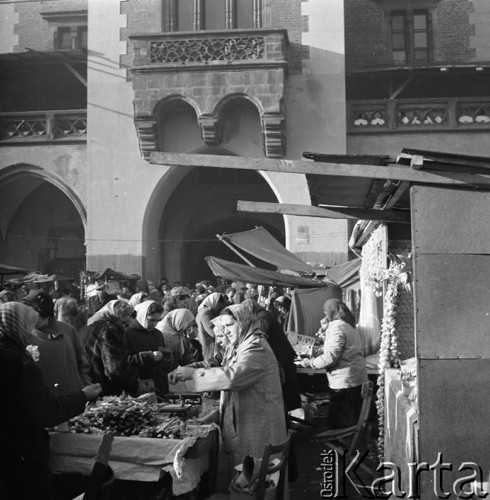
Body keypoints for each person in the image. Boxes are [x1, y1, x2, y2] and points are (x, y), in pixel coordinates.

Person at [169, 303, 287, 492]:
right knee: (244, 482)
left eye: (230, 325)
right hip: (247, 422)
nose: (226, 331)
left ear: (244, 322)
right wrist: (193, 369)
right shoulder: (241, 345)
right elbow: (219, 364)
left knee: (253, 485)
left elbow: (232, 376)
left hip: (259, 427)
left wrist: (192, 374)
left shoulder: (256, 348)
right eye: (223, 326)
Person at [0, 302, 102, 500]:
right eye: (28, 328)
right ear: (17, 327)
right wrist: (83, 396)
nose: (30, 334)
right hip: (19, 459)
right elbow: (48, 412)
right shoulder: (18, 363)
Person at [299, 298, 367, 428]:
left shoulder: (337, 326)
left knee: (341, 421)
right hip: (355, 376)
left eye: (326, 313)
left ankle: (342, 446)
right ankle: (348, 444)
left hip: (345, 380)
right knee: (351, 418)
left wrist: (310, 363)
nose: (325, 316)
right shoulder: (348, 324)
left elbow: (330, 357)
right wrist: (325, 329)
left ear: (332, 312)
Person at [22, 290, 92, 397]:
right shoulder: (23, 336)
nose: (29, 319)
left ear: (47, 315)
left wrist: (85, 387)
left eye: (34, 315)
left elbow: (82, 364)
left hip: (74, 398)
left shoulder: (68, 331)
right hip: (44, 401)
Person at [241, 299, 301, 412]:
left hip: (281, 356)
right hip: (282, 355)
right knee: (288, 391)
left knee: (287, 391)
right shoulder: (264, 315)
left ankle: (289, 421)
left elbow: (261, 334)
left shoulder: (262, 317)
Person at [82, 300, 140, 396]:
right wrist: (135, 385)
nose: (127, 326)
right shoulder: (110, 330)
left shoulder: (87, 328)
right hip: (103, 390)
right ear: (121, 318)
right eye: (126, 320)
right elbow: (115, 368)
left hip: (87, 387)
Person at [125, 300, 172, 396]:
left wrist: (166, 357)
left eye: (157, 320)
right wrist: (148, 356)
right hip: (138, 388)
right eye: (151, 320)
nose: (155, 324)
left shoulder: (158, 334)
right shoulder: (127, 334)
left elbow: (165, 358)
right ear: (141, 316)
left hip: (159, 386)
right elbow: (123, 362)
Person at [195, 292, 227, 361]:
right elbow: (213, 332)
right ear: (215, 302)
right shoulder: (206, 313)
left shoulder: (204, 311)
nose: (222, 307)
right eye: (220, 304)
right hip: (208, 347)